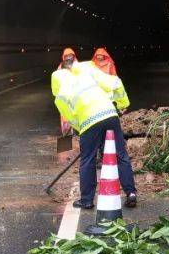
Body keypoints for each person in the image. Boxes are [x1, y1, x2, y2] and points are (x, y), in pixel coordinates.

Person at [51, 47, 137, 210]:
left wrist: (80, 128)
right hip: (110, 115)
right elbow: (116, 83)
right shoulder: (88, 70)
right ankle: (131, 193)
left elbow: (68, 115)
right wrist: (122, 105)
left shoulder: (61, 89)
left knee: (88, 159)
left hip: (89, 122)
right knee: (121, 154)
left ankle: (87, 200)